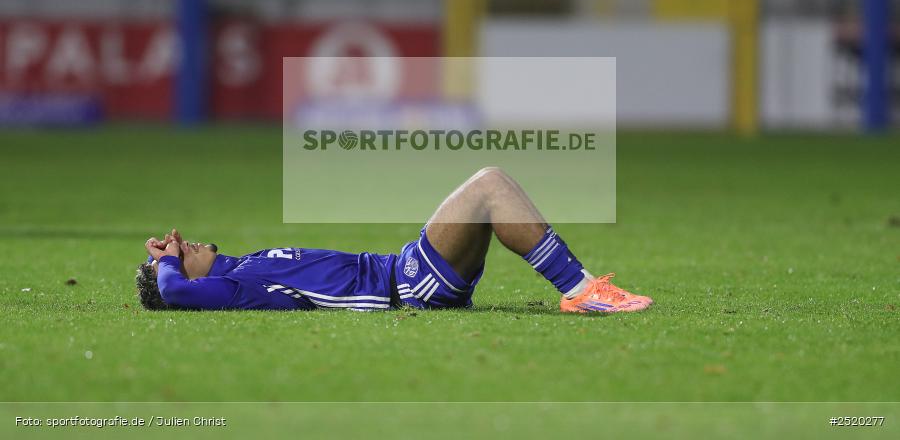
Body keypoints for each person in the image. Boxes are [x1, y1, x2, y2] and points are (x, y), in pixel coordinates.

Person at [136, 167, 652, 314]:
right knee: (490, 185)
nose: (184, 241)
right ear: (185, 274)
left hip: (406, 269)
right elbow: (177, 294)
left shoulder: (239, 267)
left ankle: (581, 291)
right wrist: (166, 265)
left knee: (491, 188)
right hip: (407, 286)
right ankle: (582, 291)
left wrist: (174, 255)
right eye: (181, 251)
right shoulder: (230, 291)